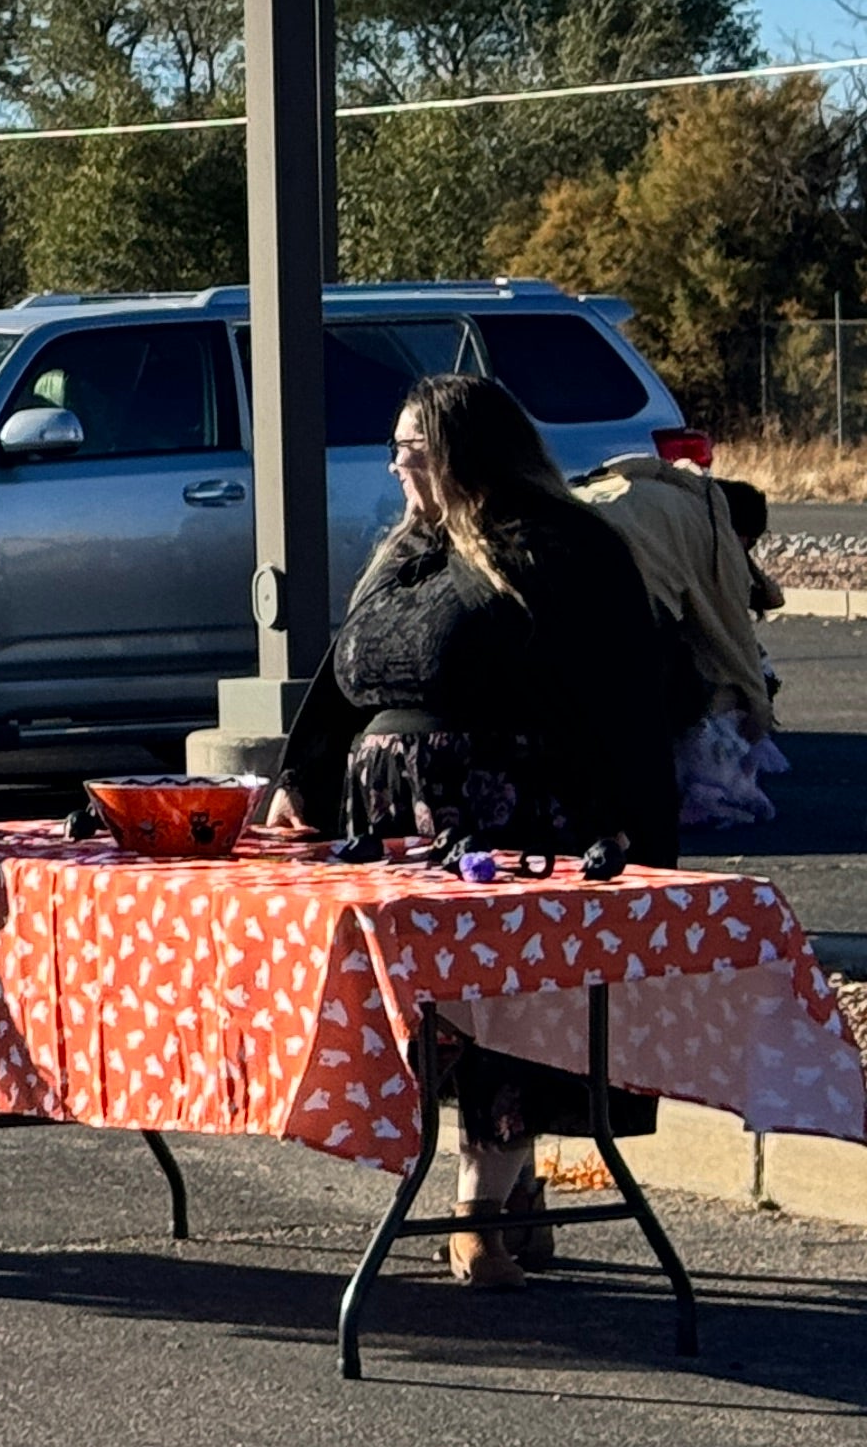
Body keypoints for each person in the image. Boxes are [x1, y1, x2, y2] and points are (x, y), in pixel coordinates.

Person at [269, 372, 688, 1287]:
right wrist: (300, 782)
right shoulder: (409, 554)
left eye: (413, 453)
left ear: (468, 454)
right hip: (393, 829)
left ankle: (479, 1211)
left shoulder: (562, 549)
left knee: (497, 1018)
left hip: (510, 825)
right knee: (436, 1027)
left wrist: (641, 832)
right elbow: (339, 682)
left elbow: (627, 699)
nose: (398, 470)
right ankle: (517, 1193)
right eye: (396, 453)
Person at [578, 449, 786, 830]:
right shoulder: (705, 525)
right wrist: (756, 702)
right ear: (743, 534)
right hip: (615, 604)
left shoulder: (646, 494)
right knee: (680, 686)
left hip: (574, 585)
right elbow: (729, 634)